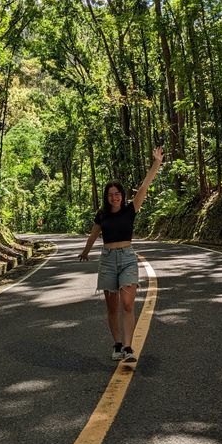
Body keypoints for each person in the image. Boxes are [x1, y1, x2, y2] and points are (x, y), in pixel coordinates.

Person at [79, 146, 164, 363]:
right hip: (107, 260)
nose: (114, 197)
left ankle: (128, 347)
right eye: (111, 195)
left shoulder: (131, 209)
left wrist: (156, 163)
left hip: (127, 258)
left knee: (127, 304)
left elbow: (145, 186)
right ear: (107, 198)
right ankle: (117, 344)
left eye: (117, 194)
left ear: (122, 196)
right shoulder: (102, 215)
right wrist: (85, 252)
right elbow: (93, 235)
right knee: (112, 307)